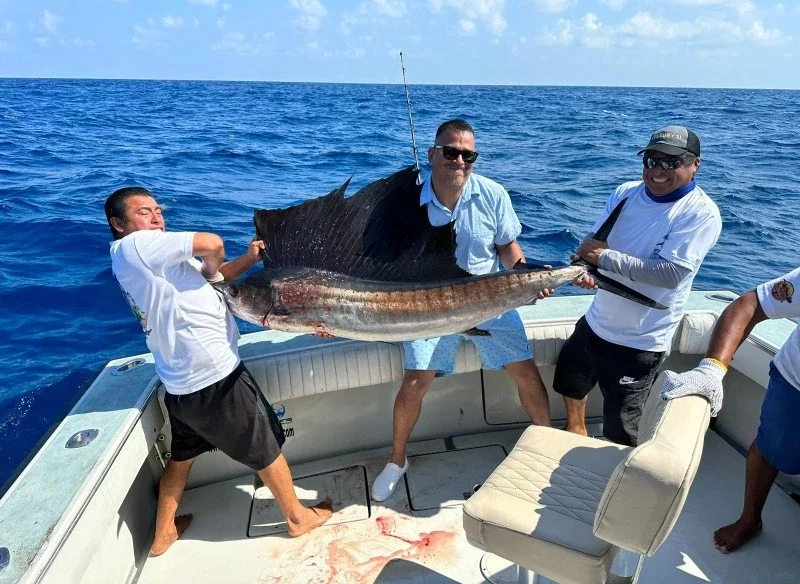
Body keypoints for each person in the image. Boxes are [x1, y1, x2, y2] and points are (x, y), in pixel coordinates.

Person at [104, 187, 332, 556]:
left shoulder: (147, 260)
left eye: (158, 209)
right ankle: (296, 518)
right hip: (215, 379)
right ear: (119, 224)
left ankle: (164, 532)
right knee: (265, 448)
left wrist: (248, 260)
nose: (157, 217)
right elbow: (212, 244)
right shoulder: (138, 246)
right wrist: (213, 261)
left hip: (180, 383)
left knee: (181, 457)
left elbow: (213, 276)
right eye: (144, 212)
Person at [370, 119, 552, 502]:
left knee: (526, 373)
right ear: (433, 154)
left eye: (468, 155)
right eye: (451, 152)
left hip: (489, 299)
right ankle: (397, 459)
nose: (459, 161)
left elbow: (507, 249)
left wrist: (526, 278)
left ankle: (547, 448)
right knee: (414, 383)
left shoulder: (493, 194)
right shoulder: (407, 205)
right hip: (430, 307)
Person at [553, 125, 722, 446]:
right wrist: (584, 266)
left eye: (671, 162)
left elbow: (671, 274)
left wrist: (603, 259)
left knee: (621, 426)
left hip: (641, 341)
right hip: (595, 322)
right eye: (651, 161)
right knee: (570, 382)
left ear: (695, 164)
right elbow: (593, 244)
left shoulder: (701, 213)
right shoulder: (625, 193)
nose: (657, 170)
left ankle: (619, 468)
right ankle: (576, 430)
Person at [661, 268, 800, 553]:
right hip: (794, 383)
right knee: (768, 449)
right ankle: (750, 520)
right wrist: (712, 369)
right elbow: (750, 305)